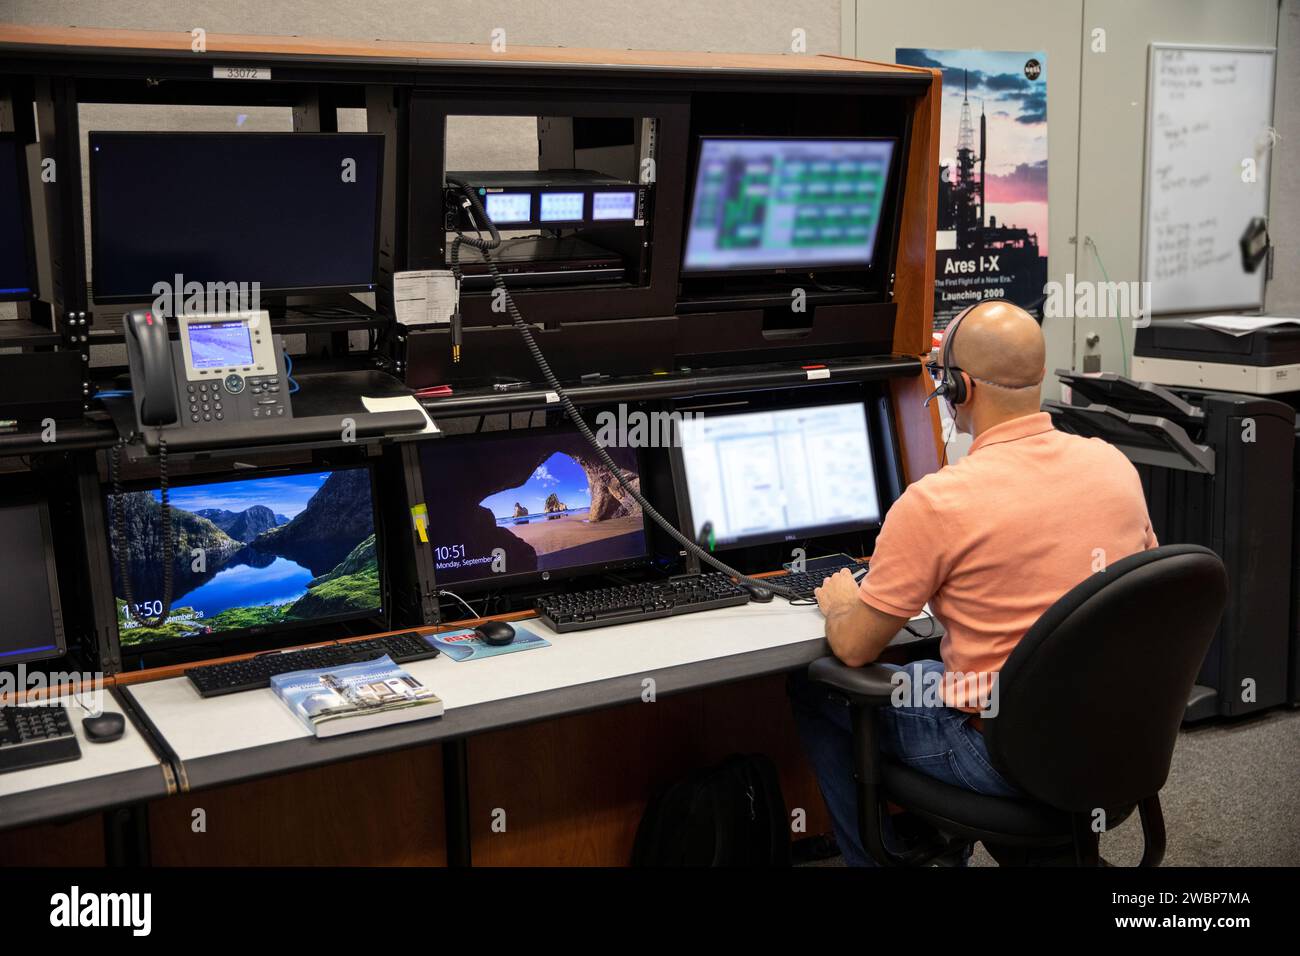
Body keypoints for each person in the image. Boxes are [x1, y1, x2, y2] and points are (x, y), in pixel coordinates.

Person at [789, 299, 1158, 866]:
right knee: (935, 664)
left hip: (998, 753)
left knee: (816, 686)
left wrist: (844, 602)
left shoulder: (938, 501)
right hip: (1107, 740)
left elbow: (855, 646)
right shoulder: (1113, 466)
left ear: (959, 388)